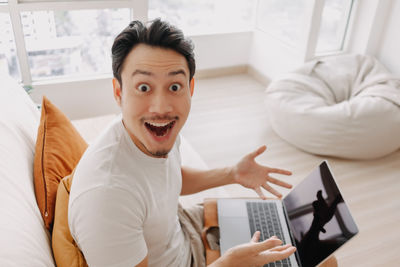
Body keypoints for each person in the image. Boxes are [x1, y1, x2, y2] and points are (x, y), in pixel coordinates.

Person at [68, 18, 296, 267]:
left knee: (291, 231)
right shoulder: (107, 198)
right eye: (144, 87)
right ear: (118, 92)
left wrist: (233, 173)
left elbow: (166, 179)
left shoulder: (153, 132)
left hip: (184, 228)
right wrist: (229, 264)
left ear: (190, 88)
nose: (161, 107)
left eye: (174, 86)